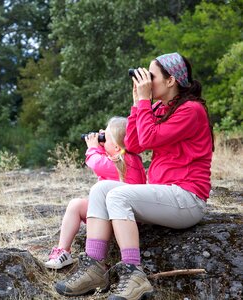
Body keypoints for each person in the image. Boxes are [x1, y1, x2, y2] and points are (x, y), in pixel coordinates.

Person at [55, 52, 213, 299]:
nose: (146, 81)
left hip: (186, 198)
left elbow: (148, 138)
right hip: (166, 195)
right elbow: (134, 144)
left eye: (152, 76)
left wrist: (143, 101)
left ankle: (134, 274)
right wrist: (137, 103)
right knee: (101, 189)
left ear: (171, 80)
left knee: (118, 196)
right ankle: (95, 266)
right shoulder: (161, 108)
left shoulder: (191, 110)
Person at [45, 117, 146, 269]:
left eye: (106, 137)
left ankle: (64, 251)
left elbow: (96, 162)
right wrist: (105, 143)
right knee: (78, 204)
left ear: (117, 147)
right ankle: (63, 252)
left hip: (118, 217)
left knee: (75, 205)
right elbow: (106, 159)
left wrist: (93, 147)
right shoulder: (131, 159)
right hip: (120, 214)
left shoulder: (124, 162)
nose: (102, 138)